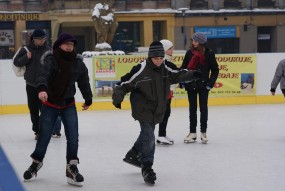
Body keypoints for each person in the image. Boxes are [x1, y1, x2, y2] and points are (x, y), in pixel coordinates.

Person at [112, 41, 201, 185]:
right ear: (150, 57)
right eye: (156, 59)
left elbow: (178, 75)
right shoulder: (141, 69)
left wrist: (193, 74)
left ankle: (133, 155)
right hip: (143, 109)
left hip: (157, 109)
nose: (159, 61)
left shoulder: (165, 67)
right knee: (149, 136)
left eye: (161, 58)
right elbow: (124, 83)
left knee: (146, 135)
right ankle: (147, 167)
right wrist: (117, 98)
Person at [23, 33, 93, 187]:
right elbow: (42, 75)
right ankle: (36, 163)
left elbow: (84, 81)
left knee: (73, 137)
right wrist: (41, 89)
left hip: (68, 104)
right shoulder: (50, 59)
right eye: (66, 43)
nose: (69, 46)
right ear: (59, 45)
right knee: (44, 137)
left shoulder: (77, 62)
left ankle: (71, 168)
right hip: (50, 103)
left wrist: (88, 98)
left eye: (72, 44)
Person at [13, 29, 62, 140]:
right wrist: (26, 57)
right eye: (38, 39)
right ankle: (37, 131)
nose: (41, 41)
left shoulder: (49, 50)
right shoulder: (25, 50)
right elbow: (16, 62)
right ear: (33, 39)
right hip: (31, 85)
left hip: (45, 86)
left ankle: (46, 130)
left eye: (43, 39)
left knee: (45, 109)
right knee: (33, 110)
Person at [180, 32, 219, 144]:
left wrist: (210, 84)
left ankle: (203, 132)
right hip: (191, 84)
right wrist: (182, 81)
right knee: (192, 109)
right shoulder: (189, 53)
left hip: (203, 86)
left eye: (196, 41)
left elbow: (215, 70)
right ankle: (192, 133)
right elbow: (184, 68)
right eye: (193, 40)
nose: (193, 42)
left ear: (201, 42)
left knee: (203, 109)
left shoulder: (209, 53)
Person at [156, 39, 178, 145]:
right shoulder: (163, 62)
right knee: (164, 113)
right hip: (163, 91)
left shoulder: (167, 60)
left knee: (166, 113)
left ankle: (163, 134)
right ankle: (160, 135)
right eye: (170, 48)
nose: (172, 50)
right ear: (164, 49)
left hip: (167, 91)